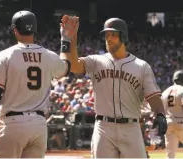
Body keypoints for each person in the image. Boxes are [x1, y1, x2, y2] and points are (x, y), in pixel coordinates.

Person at [0, 10, 77, 158]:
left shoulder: (5, 56)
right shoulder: (49, 56)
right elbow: (67, 66)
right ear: (35, 30)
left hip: (12, 124)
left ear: (15, 30)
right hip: (39, 126)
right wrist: (65, 39)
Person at [60, 15, 167, 158]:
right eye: (106, 35)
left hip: (131, 127)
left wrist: (160, 114)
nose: (108, 38)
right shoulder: (96, 61)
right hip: (104, 128)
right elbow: (73, 66)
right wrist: (70, 39)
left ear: (123, 37)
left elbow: (153, 96)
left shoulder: (141, 66)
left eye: (113, 34)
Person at [161, 70, 183, 159]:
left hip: (168, 122)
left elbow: (160, 109)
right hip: (181, 121)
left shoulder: (166, 91)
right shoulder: (182, 90)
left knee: (170, 154)